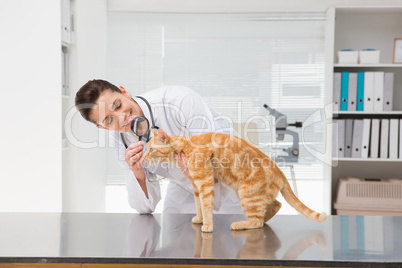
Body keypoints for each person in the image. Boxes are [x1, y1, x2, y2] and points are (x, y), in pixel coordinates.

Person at [75, 79, 242, 214]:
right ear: (102, 127)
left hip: (233, 177)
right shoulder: (121, 139)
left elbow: (213, 171)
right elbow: (144, 208)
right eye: (109, 120)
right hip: (185, 186)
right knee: (175, 246)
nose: (121, 118)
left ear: (124, 92)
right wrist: (137, 172)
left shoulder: (180, 101)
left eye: (118, 106)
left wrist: (191, 170)